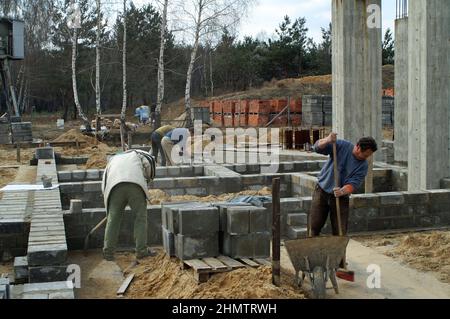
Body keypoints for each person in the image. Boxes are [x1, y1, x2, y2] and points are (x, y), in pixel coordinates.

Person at [310, 133, 378, 239]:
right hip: (322, 190)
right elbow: (317, 147)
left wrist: (342, 191)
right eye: (365, 155)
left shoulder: (363, 165)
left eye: (368, 156)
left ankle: (338, 254)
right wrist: (327, 140)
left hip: (341, 197)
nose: (366, 158)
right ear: (358, 147)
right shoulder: (342, 146)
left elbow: (353, 184)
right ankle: (311, 250)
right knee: (314, 225)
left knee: (340, 230)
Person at [102, 150, 156, 261]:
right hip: (135, 185)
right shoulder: (138, 154)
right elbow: (150, 163)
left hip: (114, 187)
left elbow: (104, 183)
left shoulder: (112, 160)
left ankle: (108, 253)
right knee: (140, 218)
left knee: (113, 220)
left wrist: (109, 202)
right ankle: (141, 251)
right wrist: (148, 178)